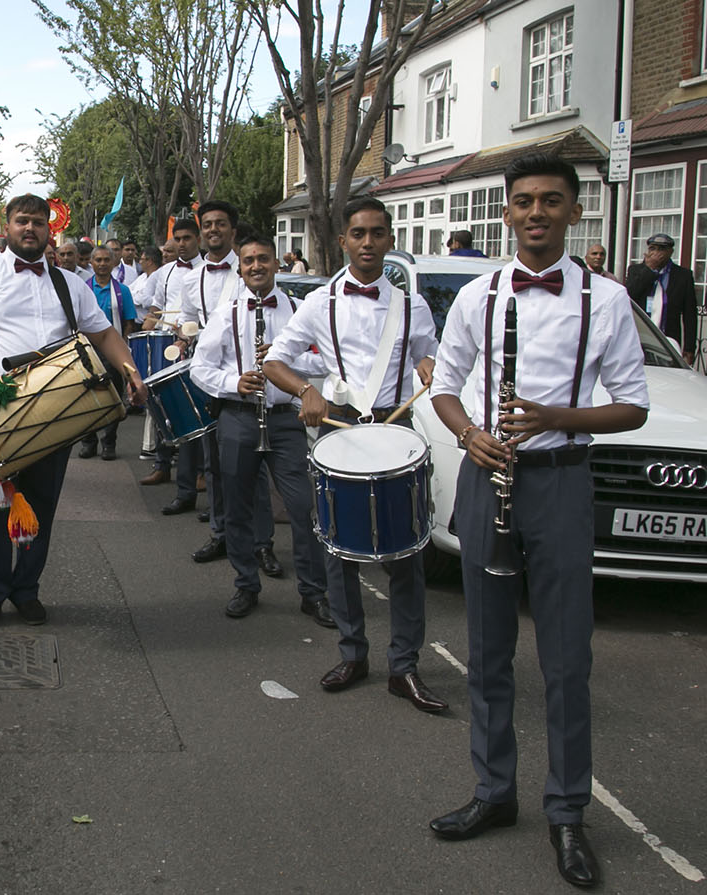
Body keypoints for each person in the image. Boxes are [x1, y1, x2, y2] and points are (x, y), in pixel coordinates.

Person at [426, 153, 649, 890]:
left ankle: (567, 810)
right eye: (523, 202)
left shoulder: (608, 299)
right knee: (487, 653)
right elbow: (447, 388)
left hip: (559, 483)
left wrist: (558, 416)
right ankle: (495, 793)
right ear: (507, 211)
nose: (536, 213)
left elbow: (633, 403)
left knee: (566, 660)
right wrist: (467, 434)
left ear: (574, 212)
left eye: (551, 201)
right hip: (491, 478)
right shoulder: (478, 295)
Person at [0, 194, 147, 635]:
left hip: (57, 410)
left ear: (48, 229)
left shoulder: (69, 283)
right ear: (7, 226)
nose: (30, 228)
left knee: (41, 506)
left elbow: (104, 332)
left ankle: (26, 589)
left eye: (37, 222)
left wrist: (130, 370)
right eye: (21, 221)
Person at [264, 195, 448, 714]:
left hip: (396, 427)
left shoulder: (412, 304)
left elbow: (426, 353)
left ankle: (404, 666)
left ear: (390, 240)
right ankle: (353, 652)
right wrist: (306, 391)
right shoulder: (319, 302)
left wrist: (431, 366)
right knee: (338, 550)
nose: (369, 243)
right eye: (359, 234)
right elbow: (276, 360)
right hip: (339, 430)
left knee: (407, 553)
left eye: (378, 234)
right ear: (343, 239)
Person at [188, 233, 333, 627]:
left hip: (285, 418)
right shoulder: (226, 313)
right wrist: (234, 382)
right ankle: (246, 584)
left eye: (263, 259)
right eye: (249, 260)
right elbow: (200, 368)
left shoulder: (300, 311)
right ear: (242, 267)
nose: (255, 266)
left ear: (276, 264)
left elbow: (326, 362)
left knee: (305, 507)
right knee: (237, 507)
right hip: (238, 416)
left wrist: (286, 359)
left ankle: (313, 592)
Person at [177, 201, 246, 566]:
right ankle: (220, 534)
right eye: (208, 225)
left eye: (221, 223)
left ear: (233, 231)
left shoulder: (249, 268)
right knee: (214, 461)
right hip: (208, 377)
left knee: (254, 464)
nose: (213, 230)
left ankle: (260, 543)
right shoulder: (192, 279)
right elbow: (188, 321)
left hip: (246, 378)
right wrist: (181, 339)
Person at [144, 220, 201, 491]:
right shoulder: (164, 272)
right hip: (168, 346)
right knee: (162, 404)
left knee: (197, 409)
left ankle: (200, 473)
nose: (181, 243)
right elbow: (156, 309)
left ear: (197, 239)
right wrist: (143, 333)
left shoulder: (207, 270)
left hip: (200, 347)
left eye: (187, 238)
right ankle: (162, 464)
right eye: (177, 238)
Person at [79, 244, 139, 460]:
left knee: (113, 396)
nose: (102, 264)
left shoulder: (122, 291)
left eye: (106, 260)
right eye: (98, 260)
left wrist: (122, 350)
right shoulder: (83, 288)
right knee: (86, 398)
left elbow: (129, 323)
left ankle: (109, 443)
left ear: (113, 262)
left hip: (112, 350)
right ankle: (89, 442)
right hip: (87, 350)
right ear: (91, 262)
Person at [625, 232, 698, 365]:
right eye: (653, 248)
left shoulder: (683, 276)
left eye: (661, 249)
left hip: (668, 340)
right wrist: (650, 269)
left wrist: (689, 348)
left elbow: (690, 314)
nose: (656, 253)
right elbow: (629, 296)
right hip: (638, 340)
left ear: (671, 252)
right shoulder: (636, 270)